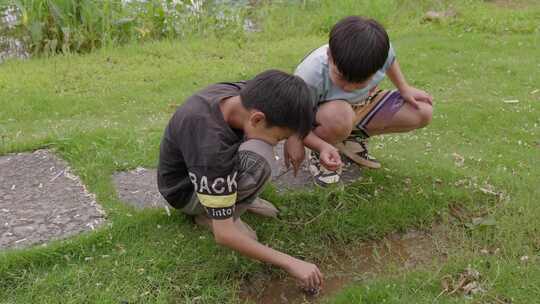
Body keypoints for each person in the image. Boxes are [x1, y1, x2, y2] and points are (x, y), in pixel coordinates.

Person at [157, 70, 325, 290]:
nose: (278, 143)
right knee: (261, 158)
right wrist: (291, 263)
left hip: (205, 170)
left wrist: (301, 139)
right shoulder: (212, 148)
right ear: (257, 119)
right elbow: (224, 236)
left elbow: (286, 104)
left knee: (260, 152)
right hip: (184, 191)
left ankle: (227, 198)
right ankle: (209, 214)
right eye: (279, 138)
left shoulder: (244, 95)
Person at [287, 16, 433, 186]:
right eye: (341, 78)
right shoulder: (309, 76)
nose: (348, 88)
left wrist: (404, 89)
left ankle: (350, 139)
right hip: (323, 119)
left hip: (362, 105)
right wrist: (299, 140)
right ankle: (322, 151)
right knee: (340, 116)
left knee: (422, 111)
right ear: (329, 56)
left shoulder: (378, 52)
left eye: (360, 82)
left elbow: (391, 60)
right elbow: (295, 122)